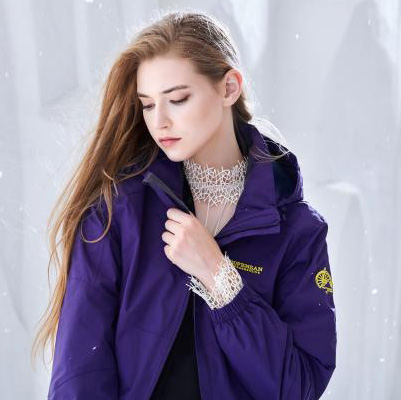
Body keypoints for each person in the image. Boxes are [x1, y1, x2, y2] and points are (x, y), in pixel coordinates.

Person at [32, 11, 337, 400]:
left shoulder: (296, 231)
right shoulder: (119, 211)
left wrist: (220, 279)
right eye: (147, 105)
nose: (159, 121)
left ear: (229, 88)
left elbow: (298, 386)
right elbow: (80, 371)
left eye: (177, 99)